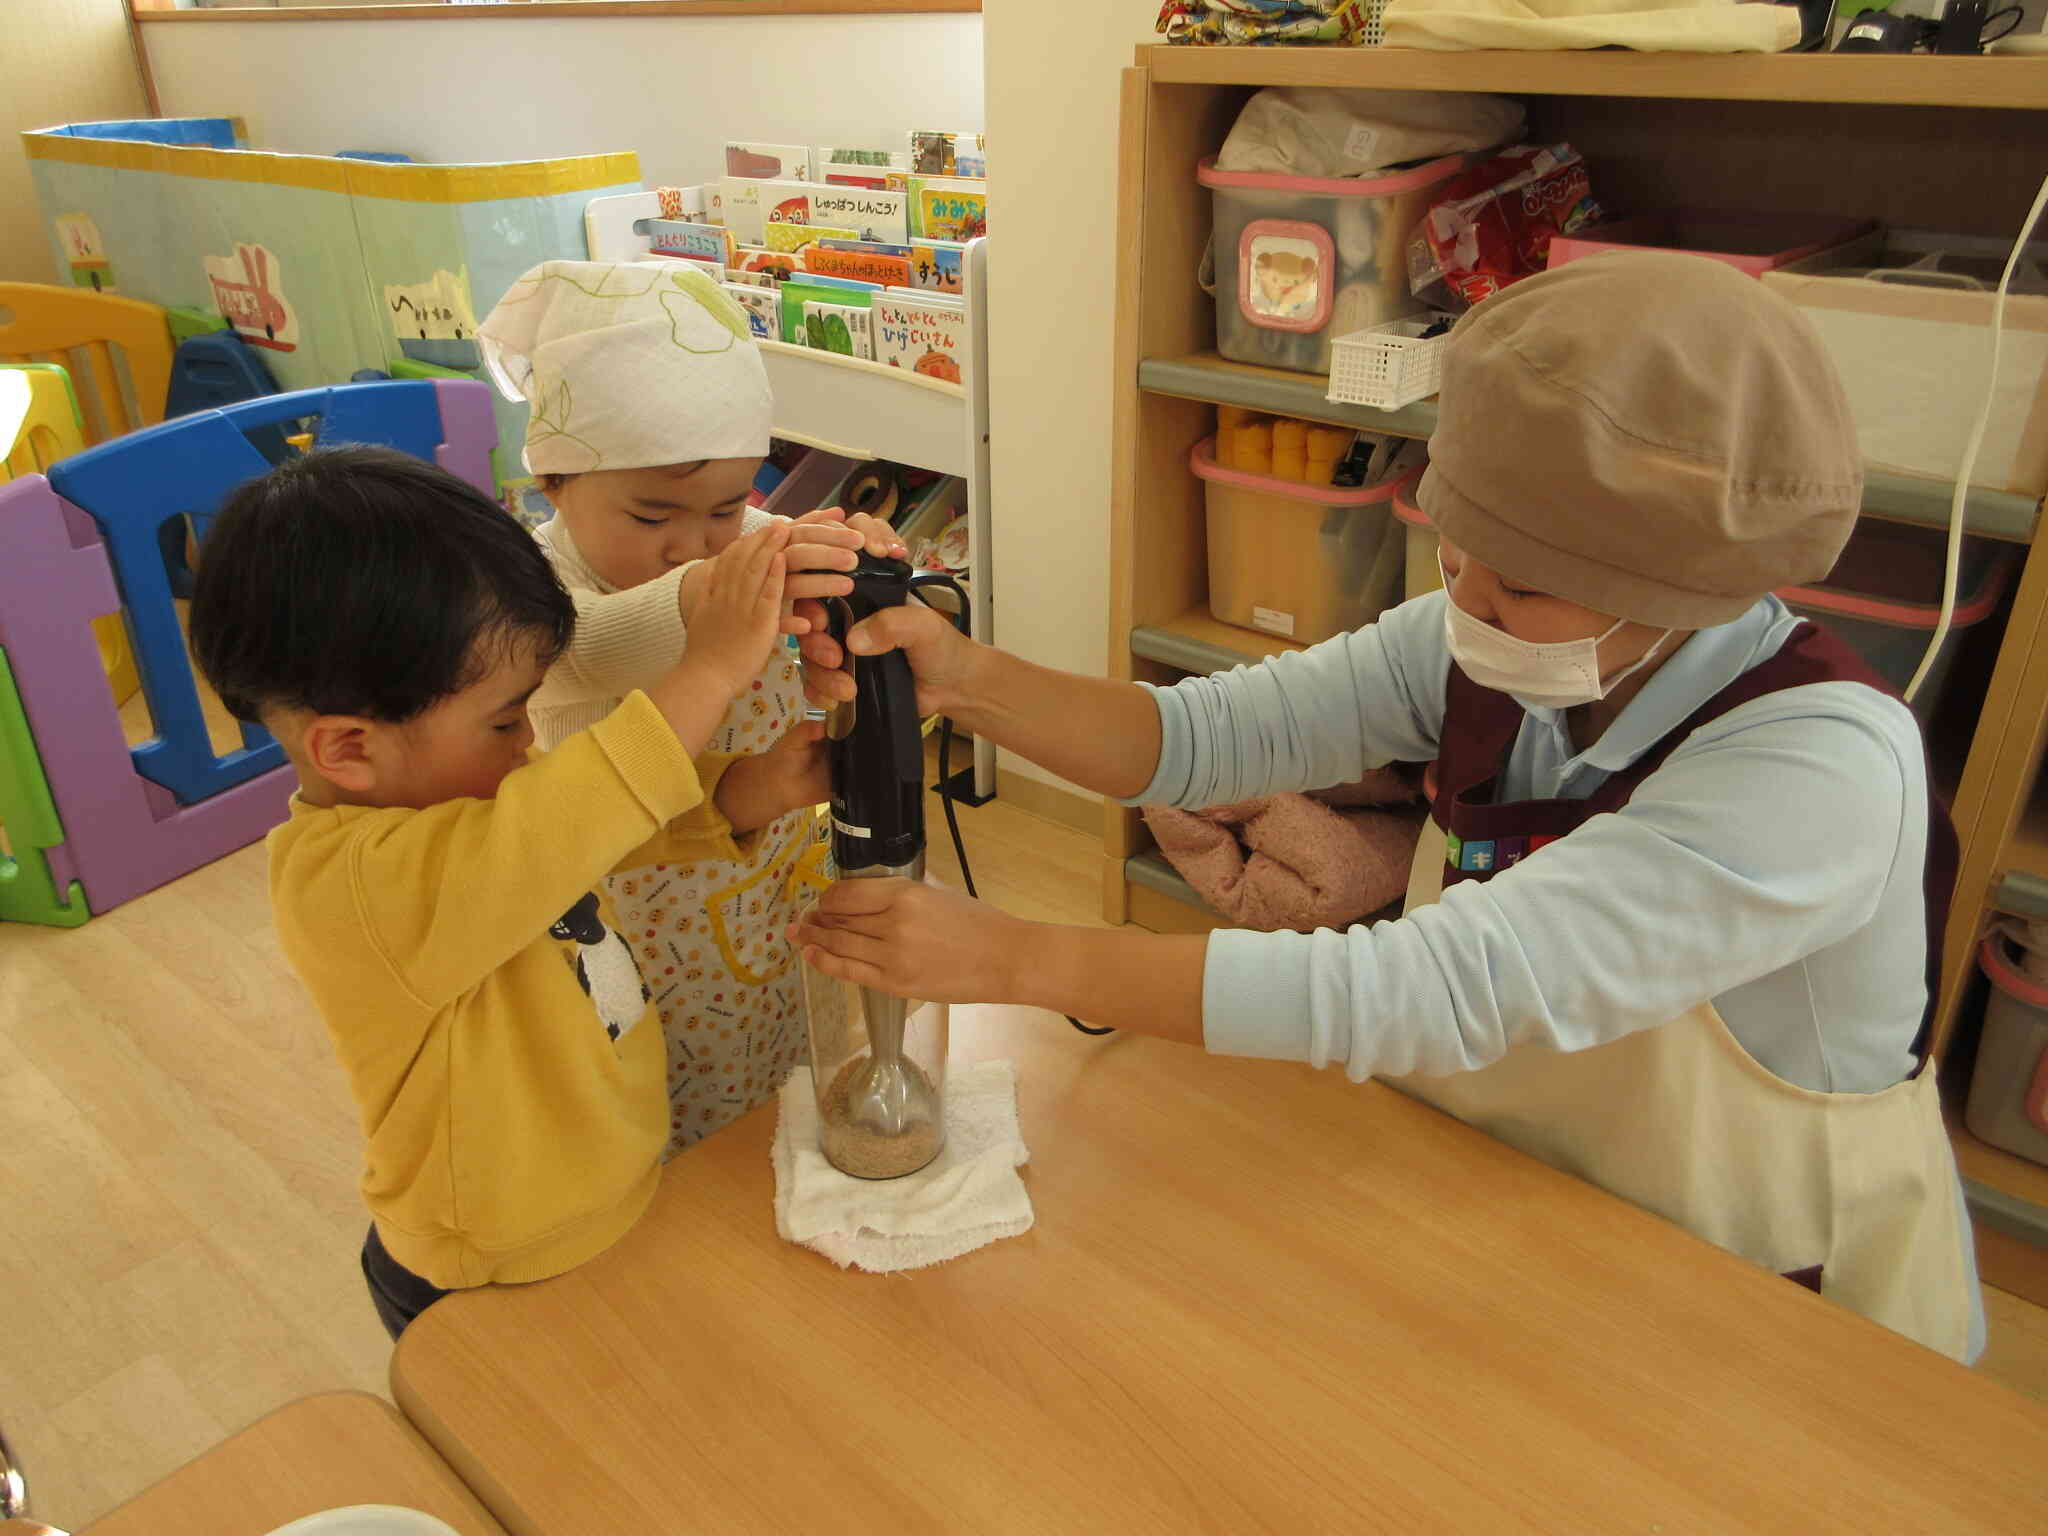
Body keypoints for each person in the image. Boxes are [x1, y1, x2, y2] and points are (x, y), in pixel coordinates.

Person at [792, 253, 1985, 1362]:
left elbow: (1437, 988)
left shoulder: (1818, 770)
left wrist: (1019, 961)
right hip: (1509, 1202)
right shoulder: (1487, 640)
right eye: (1454, 547)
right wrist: (972, 680)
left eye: (1516, 583)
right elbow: (1215, 737)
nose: (1460, 599)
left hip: (1751, 1276)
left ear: (1687, 591)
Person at [189, 445, 823, 1339]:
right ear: (347, 749)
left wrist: (760, 785)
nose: (526, 738)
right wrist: (708, 667)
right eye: (500, 719)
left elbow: (591, 837)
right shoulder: (355, 886)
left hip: (600, 1204)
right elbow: (570, 818)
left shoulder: (466, 814)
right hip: (493, 1266)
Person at [477, 259, 903, 1153]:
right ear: (555, 479)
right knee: (663, 1110)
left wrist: (844, 565)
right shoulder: (528, 583)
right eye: (650, 516)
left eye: (725, 506)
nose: (691, 543)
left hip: (765, 877)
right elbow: (587, 648)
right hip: (636, 914)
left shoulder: (737, 547)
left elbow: (769, 570)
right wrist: (719, 594)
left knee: (782, 1069)